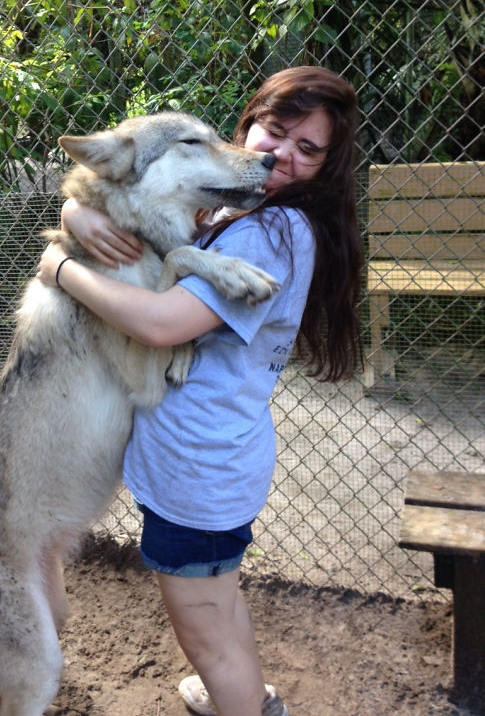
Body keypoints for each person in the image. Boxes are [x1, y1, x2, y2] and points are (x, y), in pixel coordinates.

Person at [37, 66, 363, 716]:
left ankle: (237, 697)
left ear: (326, 167)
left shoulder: (267, 233)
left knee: (205, 635)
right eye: (276, 132)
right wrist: (74, 208)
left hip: (198, 469)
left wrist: (60, 264)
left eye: (308, 149)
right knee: (221, 604)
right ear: (247, 124)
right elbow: (124, 197)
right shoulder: (238, 206)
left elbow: (161, 323)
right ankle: (247, 699)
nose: (283, 155)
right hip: (212, 462)